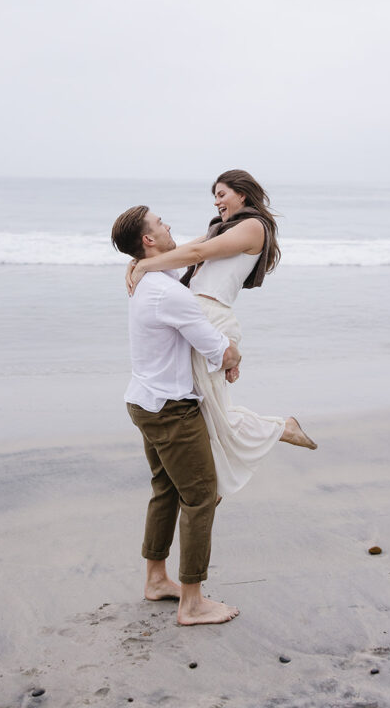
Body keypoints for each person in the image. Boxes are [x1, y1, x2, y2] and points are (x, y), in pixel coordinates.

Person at [125, 169, 317, 499]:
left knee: (213, 412)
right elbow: (187, 248)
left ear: (242, 194)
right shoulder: (222, 228)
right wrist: (136, 261)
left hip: (210, 316)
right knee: (205, 408)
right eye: (214, 196)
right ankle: (204, 476)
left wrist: (144, 268)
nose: (217, 202)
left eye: (222, 194)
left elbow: (197, 255)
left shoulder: (254, 226)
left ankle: (279, 429)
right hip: (202, 316)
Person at [111, 204, 242, 625]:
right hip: (170, 409)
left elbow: (189, 251)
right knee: (202, 495)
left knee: (166, 489)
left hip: (144, 400)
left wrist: (217, 232)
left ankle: (155, 580)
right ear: (148, 240)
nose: (168, 226)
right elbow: (215, 349)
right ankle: (192, 602)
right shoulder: (168, 291)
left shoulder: (149, 276)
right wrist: (234, 351)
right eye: (160, 223)